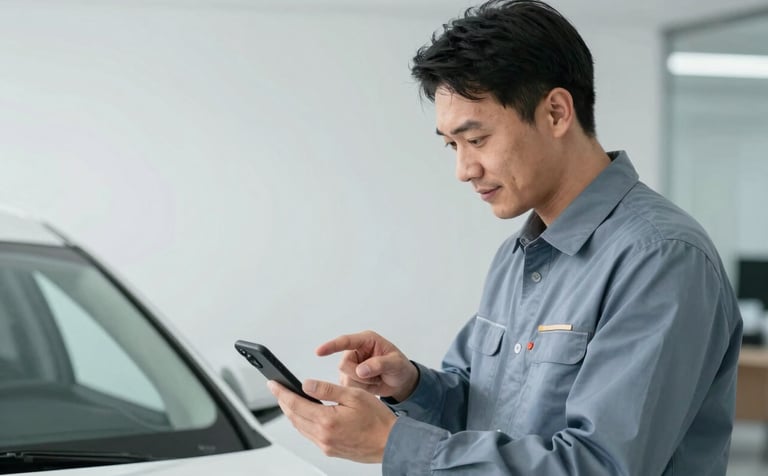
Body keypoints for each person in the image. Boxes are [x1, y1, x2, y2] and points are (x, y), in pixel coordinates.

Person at [268, 0, 743, 474]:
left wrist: (391, 443)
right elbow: (485, 412)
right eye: (452, 145)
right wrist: (410, 385)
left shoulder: (660, 258)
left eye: (476, 139)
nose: (463, 169)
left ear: (556, 112)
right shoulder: (517, 257)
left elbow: (602, 465)